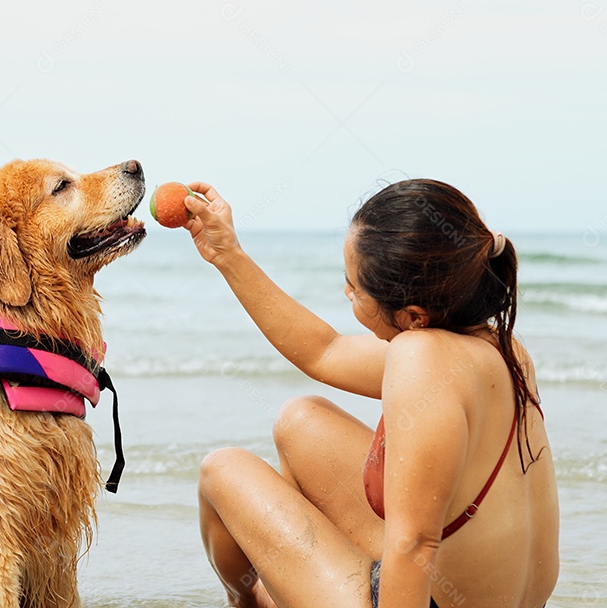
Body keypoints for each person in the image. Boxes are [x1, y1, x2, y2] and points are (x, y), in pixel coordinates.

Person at [182, 179, 559, 608]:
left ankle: (250, 601)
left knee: (222, 470)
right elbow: (323, 350)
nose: (347, 293)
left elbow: (414, 544)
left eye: (354, 288)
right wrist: (225, 253)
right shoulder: (501, 347)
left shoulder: (417, 358)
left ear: (414, 316)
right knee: (301, 419)